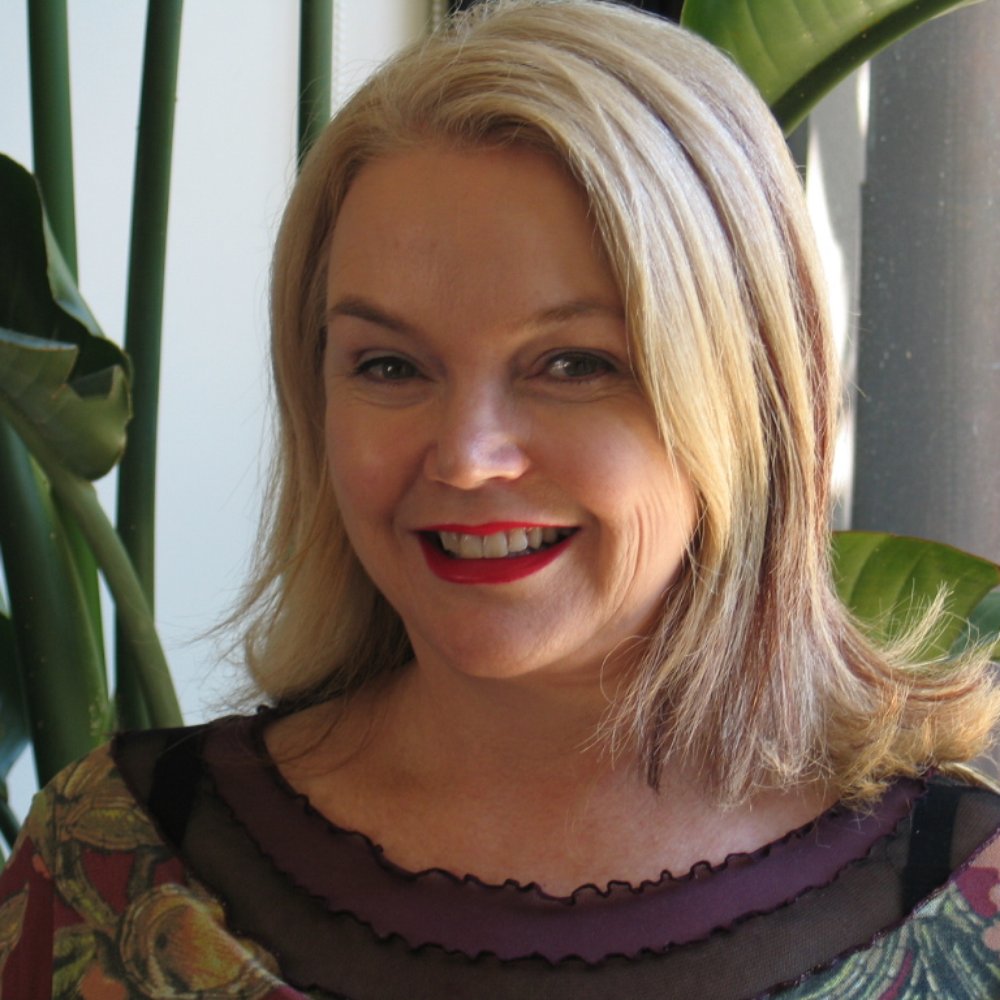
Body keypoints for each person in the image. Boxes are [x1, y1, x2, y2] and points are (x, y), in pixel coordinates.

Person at [2, 1, 1000, 996]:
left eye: (574, 362)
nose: (467, 458)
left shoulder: (972, 902)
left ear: (750, 399)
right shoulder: (110, 866)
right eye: (390, 365)